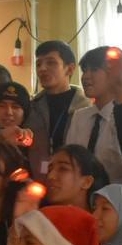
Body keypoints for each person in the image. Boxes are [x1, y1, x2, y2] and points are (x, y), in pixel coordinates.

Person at [68, 46, 122, 189]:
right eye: (84, 70)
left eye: (94, 69)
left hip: (119, 196)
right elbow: (71, 159)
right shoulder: (79, 117)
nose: (85, 76)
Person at [29, 40, 90, 179]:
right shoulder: (32, 107)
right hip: (39, 180)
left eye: (51, 63)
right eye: (38, 64)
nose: (42, 69)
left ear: (70, 69)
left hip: (76, 181)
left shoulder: (86, 107)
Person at [45, 144, 110, 213]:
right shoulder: (39, 217)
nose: (50, 176)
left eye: (63, 169)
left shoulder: (104, 219)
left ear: (87, 182)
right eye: (49, 170)